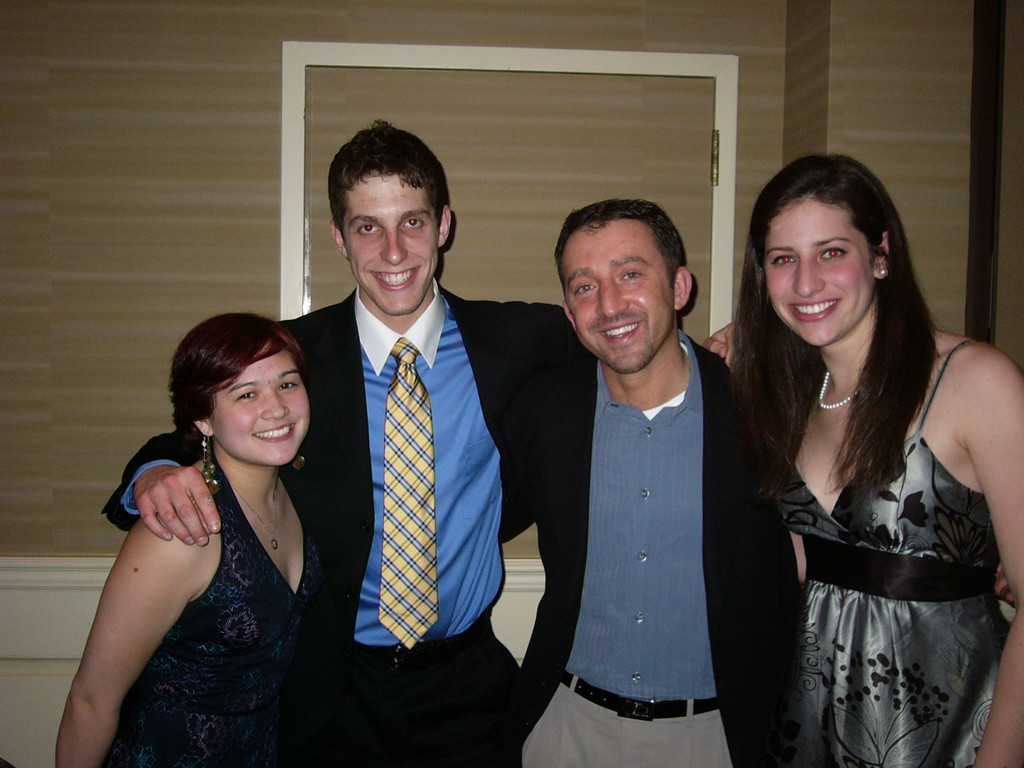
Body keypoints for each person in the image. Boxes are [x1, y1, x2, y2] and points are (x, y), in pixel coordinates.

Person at [99, 120, 578, 766]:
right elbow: (183, 431)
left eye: (412, 222)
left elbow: (628, 344)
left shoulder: (517, 341)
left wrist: (719, 352)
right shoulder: (296, 359)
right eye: (367, 227)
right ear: (338, 238)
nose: (393, 251)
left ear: (444, 226)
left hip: (465, 688)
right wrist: (156, 473)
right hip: (330, 690)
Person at [728, 154, 1024, 767]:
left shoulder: (974, 380)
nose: (806, 283)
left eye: (831, 252)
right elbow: (795, 569)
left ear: (881, 254)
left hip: (945, 726)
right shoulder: (784, 399)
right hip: (805, 722)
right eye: (783, 259)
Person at [500, 199, 799, 767]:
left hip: (713, 737)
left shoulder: (764, 412)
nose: (609, 304)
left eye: (630, 274)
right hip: (567, 729)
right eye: (584, 286)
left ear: (680, 287)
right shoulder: (543, 413)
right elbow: (471, 514)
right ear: (567, 311)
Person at [57, 313, 323, 767]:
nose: (276, 408)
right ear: (203, 418)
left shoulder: (295, 489)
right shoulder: (181, 529)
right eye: (246, 394)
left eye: (287, 384)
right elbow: (91, 700)